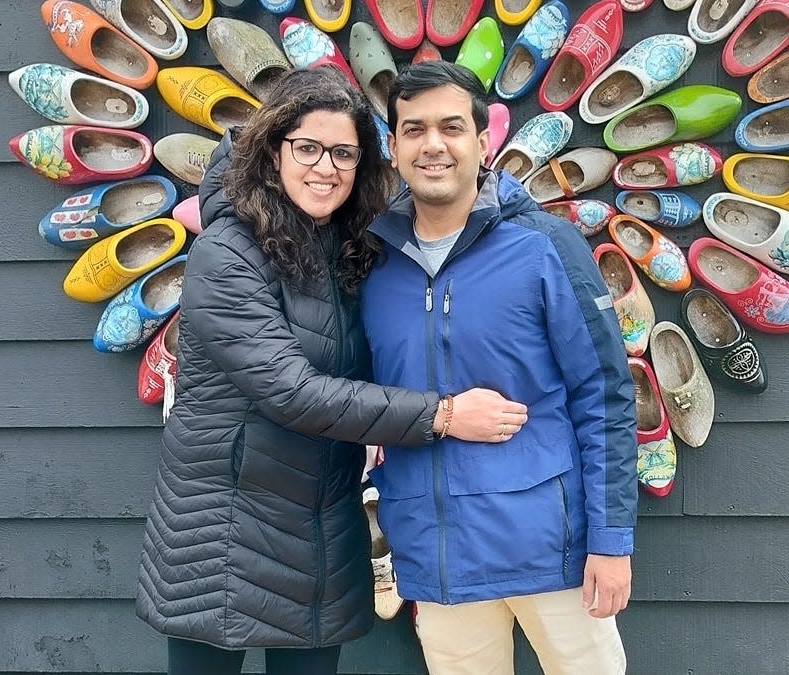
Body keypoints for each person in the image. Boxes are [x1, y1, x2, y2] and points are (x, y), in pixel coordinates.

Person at [134, 67, 528, 675]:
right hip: (224, 529)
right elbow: (291, 392)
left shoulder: (348, 243)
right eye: (308, 148)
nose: (326, 167)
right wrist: (445, 415)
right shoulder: (227, 252)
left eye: (343, 152)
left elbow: (447, 201)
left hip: (322, 520)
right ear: (273, 149)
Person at [359, 61, 639, 675]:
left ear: (483, 142)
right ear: (395, 147)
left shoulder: (544, 246)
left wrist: (612, 542)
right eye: (414, 129)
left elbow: (605, 395)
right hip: (438, 556)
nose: (433, 145)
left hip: (552, 551)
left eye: (451, 127)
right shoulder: (374, 265)